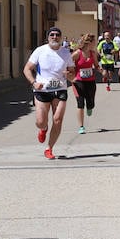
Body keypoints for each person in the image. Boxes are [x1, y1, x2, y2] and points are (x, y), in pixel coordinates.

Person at [23, 27, 76, 160]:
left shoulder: (66, 53)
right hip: (42, 90)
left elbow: (72, 75)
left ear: (60, 37)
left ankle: (49, 148)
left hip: (60, 89)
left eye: (57, 35)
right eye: (51, 35)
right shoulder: (40, 51)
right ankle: (44, 128)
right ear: (48, 37)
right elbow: (27, 69)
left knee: (57, 120)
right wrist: (34, 83)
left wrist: (69, 74)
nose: (54, 37)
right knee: (41, 121)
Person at [71, 33, 101, 134]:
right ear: (89, 43)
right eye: (94, 42)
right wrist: (71, 76)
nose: (96, 43)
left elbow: (96, 66)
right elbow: (68, 64)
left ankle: (90, 107)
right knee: (80, 104)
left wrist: (101, 71)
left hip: (90, 82)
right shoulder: (77, 54)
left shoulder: (93, 53)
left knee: (90, 103)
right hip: (78, 82)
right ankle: (81, 126)